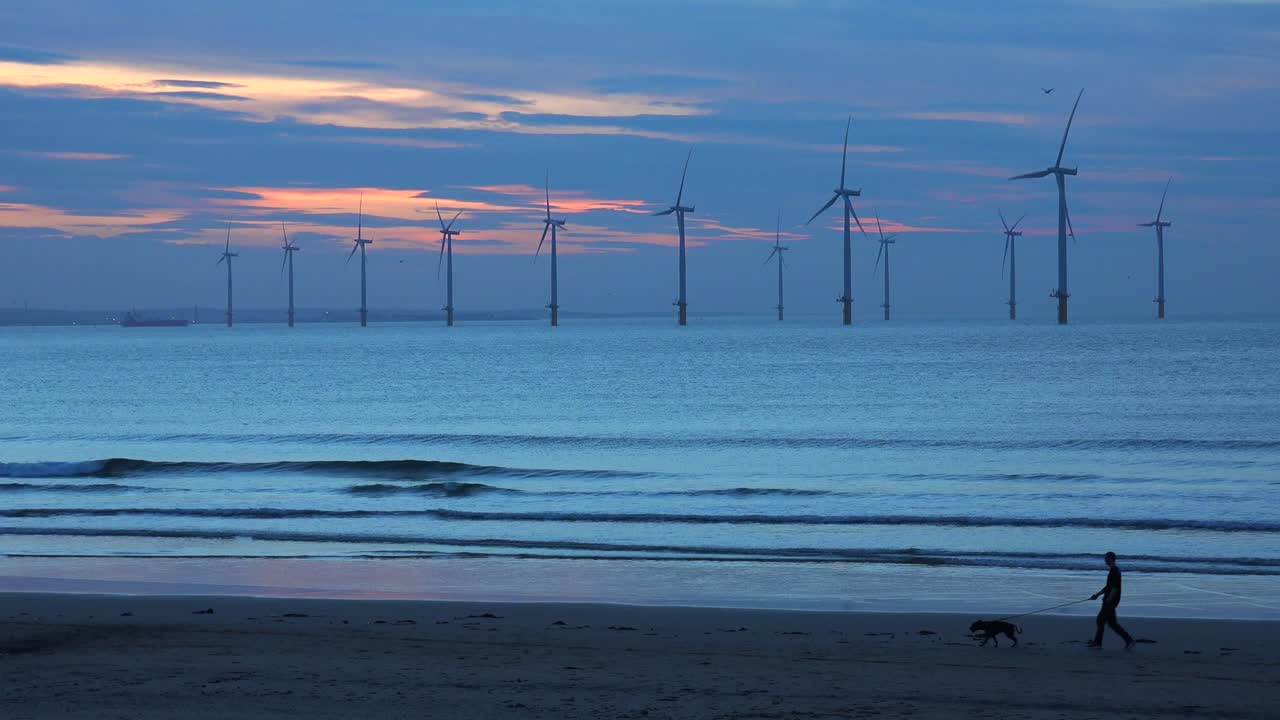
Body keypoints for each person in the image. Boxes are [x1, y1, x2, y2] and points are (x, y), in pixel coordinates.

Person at [1088, 551, 1135, 650]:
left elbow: (1115, 588)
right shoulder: (1113, 570)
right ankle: (1129, 640)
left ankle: (1098, 643)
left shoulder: (1115, 571)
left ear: (1111, 559)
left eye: (1106, 558)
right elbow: (1108, 587)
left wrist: (1109, 600)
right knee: (1112, 623)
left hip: (1111, 601)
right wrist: (1097, 594)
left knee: (1100, 620)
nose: (1105, 560)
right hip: (1110, 600)